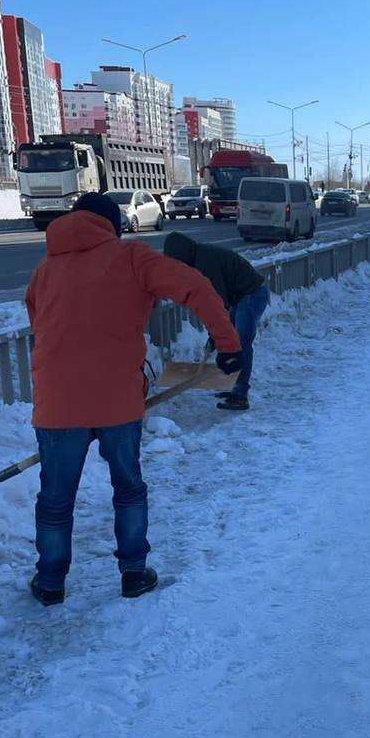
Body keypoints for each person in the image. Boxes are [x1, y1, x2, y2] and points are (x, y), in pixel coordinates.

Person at [25, 193, 242, 606]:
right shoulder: (132, 258)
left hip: (57, 404)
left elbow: (39, 322)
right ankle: (134, 573)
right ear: (113, 225)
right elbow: (195, 286)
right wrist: (228, 343)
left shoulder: (44, 270)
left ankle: (50, 582)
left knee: (55, 498)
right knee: (128, 488)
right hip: (116, 400)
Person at [164, 232, 269, 411]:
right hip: (241, 296)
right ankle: (235, 387)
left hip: (251, 295)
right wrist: (216, 335)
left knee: (241, 345)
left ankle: (240, 395)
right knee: (234, 342)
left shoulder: (205, 262)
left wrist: (215, 335)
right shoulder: (200, 256)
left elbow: (218, 302)